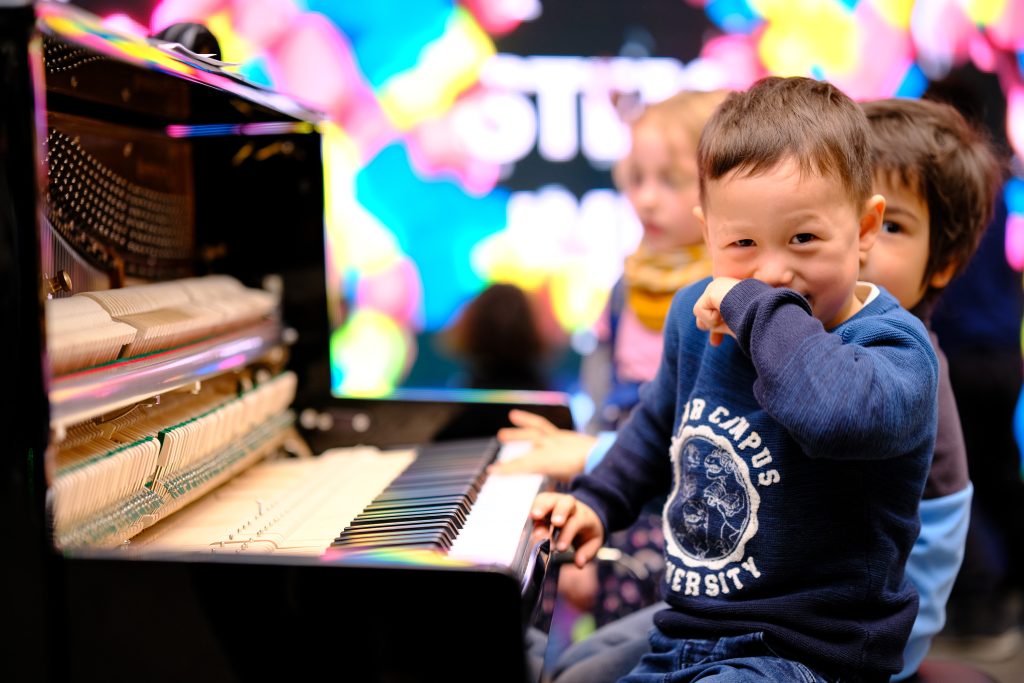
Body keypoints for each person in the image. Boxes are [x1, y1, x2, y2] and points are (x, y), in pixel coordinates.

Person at [509, 95, 1005, 683]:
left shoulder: (896, 351)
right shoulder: (694, 316)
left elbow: (830, 414)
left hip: (809, 652)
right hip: (690, 628)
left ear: (863, 228)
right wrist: (596, 500)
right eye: (742, 244)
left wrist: (752, 303)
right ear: (708, 231)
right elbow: (654, 430)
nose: (772, 272)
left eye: (802, 240)